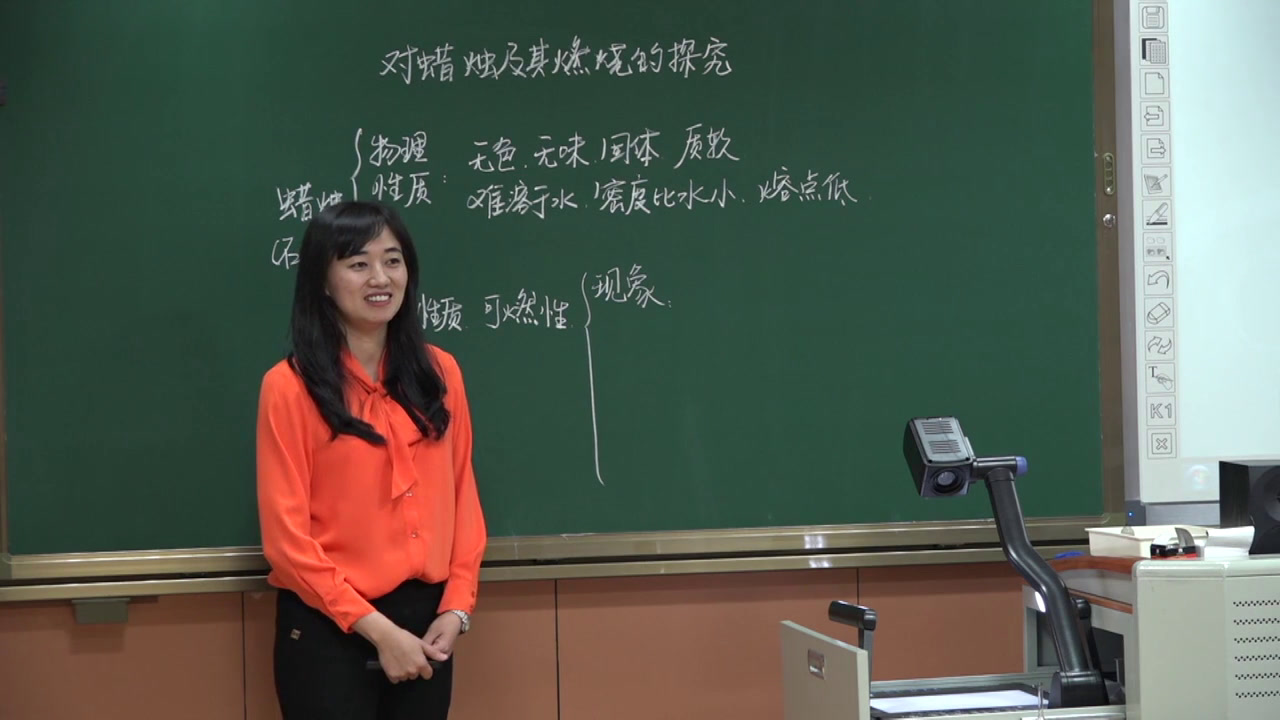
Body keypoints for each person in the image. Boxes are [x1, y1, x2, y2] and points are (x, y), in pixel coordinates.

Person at [255, 200, 487, 720]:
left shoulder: (440, 373)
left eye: (393, 260)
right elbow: (287, 543)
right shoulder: (289, 388)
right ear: (323, 281)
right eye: (358, 263)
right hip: (328, 625)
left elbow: (463, 498)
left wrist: (457, 605)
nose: (380, 278)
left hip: (428, 623)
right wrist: (379, 631)